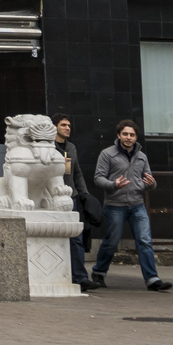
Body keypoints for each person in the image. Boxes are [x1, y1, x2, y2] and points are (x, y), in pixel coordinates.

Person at [91, 120, 170, 292]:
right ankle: (98, 273)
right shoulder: (107, 154)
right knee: (111, 242)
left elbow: (149, 181)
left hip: (137, 205)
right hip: (114, 206)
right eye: (125, 134)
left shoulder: (142, 156)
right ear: (118, 135)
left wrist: (152, 184)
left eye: (132, 135)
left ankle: (152, 279)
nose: (128, 137)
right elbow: (98, 178)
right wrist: (114, 185)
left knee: (144, 241)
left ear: (136, 137)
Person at [56, 116, 98, 292]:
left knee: (76, 238)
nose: (67, 128)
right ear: (54, 127)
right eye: (63, 125)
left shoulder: (71, 147)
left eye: (69, 125)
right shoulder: (47, 147)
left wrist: (84, 195)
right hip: (53, 199)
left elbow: (77, 173)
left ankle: (81, 277)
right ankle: (60, 274)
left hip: (71, 198)